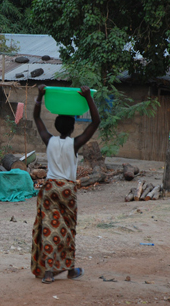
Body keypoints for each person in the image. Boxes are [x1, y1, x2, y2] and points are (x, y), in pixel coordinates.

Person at [31, 84, 100, 284]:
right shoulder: (75, 143)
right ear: (71, 128)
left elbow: (36, 118)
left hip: (50, 187)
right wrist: (88, 97)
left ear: (56, 127)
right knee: (68, 229)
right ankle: (69, 270)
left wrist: (40, 96)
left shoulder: (48, 140)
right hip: (67, 189)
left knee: (49, 229)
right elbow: (96, 121)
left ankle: (49, 273)